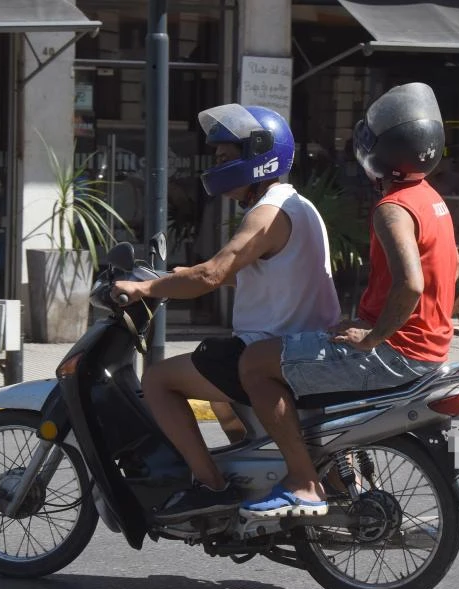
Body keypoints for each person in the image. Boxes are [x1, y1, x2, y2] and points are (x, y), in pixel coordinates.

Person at [234, 82, 459, 518]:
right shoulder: (432, 200)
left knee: (255, 363)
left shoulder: (392, 208)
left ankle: (302, 482)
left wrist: (374, 334)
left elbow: (411, 283)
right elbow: (450, 271)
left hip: (397, 354)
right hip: (429, 349)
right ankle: (335, 471)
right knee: (315, 344)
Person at [111, 104, 341, 522]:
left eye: (224, 158)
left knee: (160, 379)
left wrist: (145, 287)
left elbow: (213, 274)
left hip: (274, 349)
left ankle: (210, 487)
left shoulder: (267, 213)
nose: (216, 165)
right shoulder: (294, 204)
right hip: (301, 342)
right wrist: (178, 276)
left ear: (258, 153)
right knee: (215, 388)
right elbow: (273, 275)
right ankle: (248, 472)